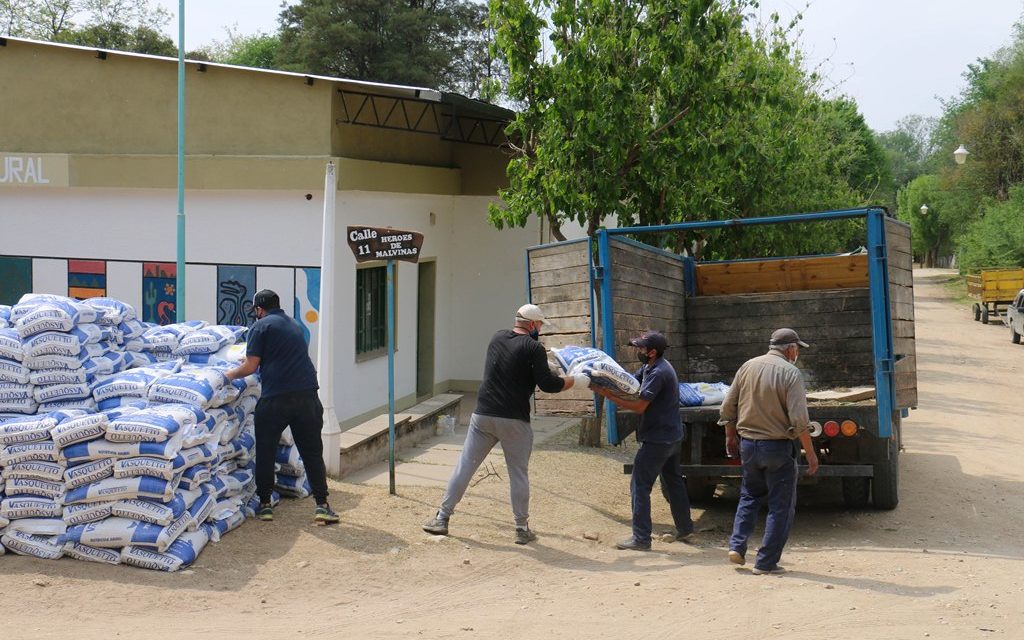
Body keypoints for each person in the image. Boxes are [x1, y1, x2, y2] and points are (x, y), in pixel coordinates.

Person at [422, 303, 589, 545]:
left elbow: (513, 365)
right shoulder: (534, 349)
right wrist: (576, 381)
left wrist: (544, 366)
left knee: (465, 467)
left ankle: (442, 517)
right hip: (514, 420)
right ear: (532, 324)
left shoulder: (496, 338)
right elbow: (548, 385)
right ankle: (521, 528)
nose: (540, 329)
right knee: (518, 474)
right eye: (539, 325)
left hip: (483, 415)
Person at [225, 289, 339, 525]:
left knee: (266, 450)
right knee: (312, 452)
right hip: (307, 395)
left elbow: (250, 366)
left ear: (259, 309)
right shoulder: (294, 325)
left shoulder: (260, 326)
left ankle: (265, 505)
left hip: (276, 397)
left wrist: (228, 375)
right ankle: (322, 505)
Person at [718, 327, 820, 575]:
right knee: (780, 506)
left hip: (749, 445)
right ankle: (765, 562)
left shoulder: (748, 366)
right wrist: (811, 453)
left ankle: (737, 546)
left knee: (749, 496)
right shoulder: (791, 373)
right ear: (791, 349)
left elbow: (728, 406)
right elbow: (798, 420)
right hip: (777, 448)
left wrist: (730, 436)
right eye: (797, 349)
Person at [592, 330, 693, 552]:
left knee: (639, 485)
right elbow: (629, 384)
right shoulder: (650, 368)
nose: (638, 351)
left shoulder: (659, 372)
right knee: (674, 482)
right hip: (671, 436)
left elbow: (639, 406)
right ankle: (685, 528)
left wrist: (606, 395)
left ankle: (641, 538)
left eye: (641, 348)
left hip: (659, 439)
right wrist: (604, 379)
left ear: (652, 352)